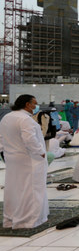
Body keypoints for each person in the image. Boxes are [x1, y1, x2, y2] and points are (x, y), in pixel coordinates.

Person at [0, 94, 49, 229]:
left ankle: (10, 218)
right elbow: (29, 140)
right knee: (31, 189)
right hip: (29, 160)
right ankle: (29, 220)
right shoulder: (25, 119)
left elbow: (1, 138)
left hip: (12, 159)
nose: (36, 106)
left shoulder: (6, 118)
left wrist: (5, 152)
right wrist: (41, 152)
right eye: (34, 103)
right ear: (27, 104)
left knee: (14, 188)